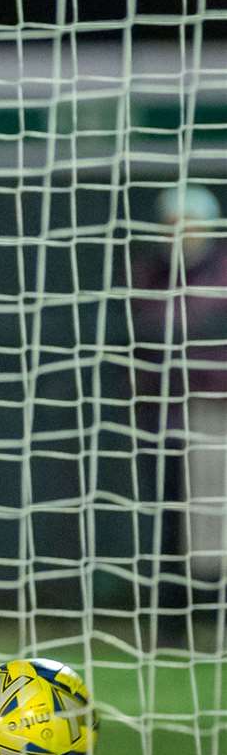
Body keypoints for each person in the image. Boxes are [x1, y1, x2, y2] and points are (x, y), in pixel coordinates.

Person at [131, 184, 227, 646]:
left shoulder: (222, 270)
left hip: (214, 413)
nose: (182, 236)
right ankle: (172, 621)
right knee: (168, 519)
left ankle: (215, 614)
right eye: (174, 227)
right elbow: (141, 331)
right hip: (162, 415)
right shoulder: (148, 273)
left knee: (214, 520)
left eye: (191, 226)